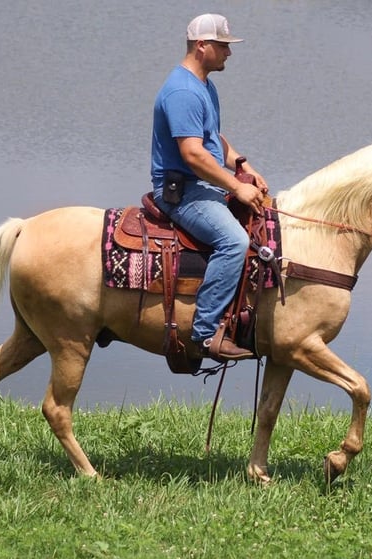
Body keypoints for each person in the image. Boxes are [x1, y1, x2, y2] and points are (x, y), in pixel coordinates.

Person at [150, 13, 269, 361]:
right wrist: (237, 186)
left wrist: (244, 166)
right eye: (223, 46)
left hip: (204, 183)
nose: (229, 53)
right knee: (234, 241)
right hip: (183, 191)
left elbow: (213, 138)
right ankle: (205, 333)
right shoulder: (183, 91)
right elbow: (192, 153)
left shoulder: (204, 85)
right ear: (202, 46)